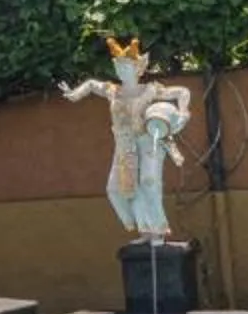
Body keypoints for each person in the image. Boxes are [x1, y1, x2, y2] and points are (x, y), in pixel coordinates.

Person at [60, 35, 193, 240]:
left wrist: (183, 114)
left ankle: (157, 230)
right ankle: (144, 228)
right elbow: (92, 85)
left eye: (126, 68)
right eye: (119, 68)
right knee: (117, 190)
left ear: (138, 69)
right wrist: (74, 93)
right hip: (124, 145)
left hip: (148, 142)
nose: (121, 72)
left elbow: (182, 92)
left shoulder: (149, 90)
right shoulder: (113, 92)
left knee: (148, 183)